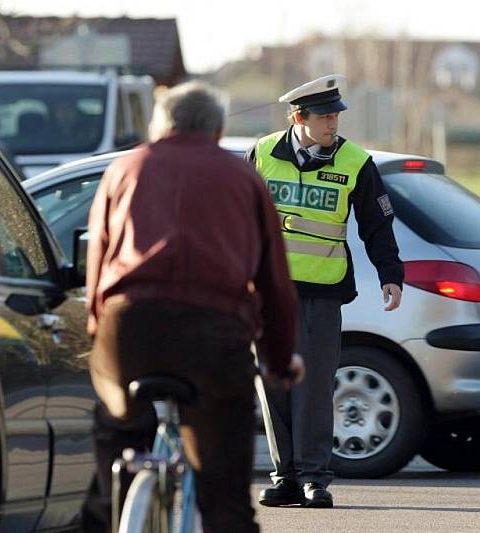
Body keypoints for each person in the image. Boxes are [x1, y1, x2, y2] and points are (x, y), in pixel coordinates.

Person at [82, 80, 305, 533]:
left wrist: (97, 334)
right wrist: (279, 361)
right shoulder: (244, 178)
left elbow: (97, 267)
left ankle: (112, 504)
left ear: (159, 125)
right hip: (215, 335)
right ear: (218, 131)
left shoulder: (125, 169)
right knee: (225, 497)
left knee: (115, 445)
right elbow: (275, 286)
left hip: (129, 330)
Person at [246, 74, 404, 509]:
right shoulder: (261, 154)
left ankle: (315, 477)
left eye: (336, 114)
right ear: (299, 117)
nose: (334, 122)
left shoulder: (354, 161)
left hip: (323, 290)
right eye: (325, 116)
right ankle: (286, 478)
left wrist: (391, 272)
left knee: (313, 387)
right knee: (273, 384)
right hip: (268, 293)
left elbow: (377, 223)